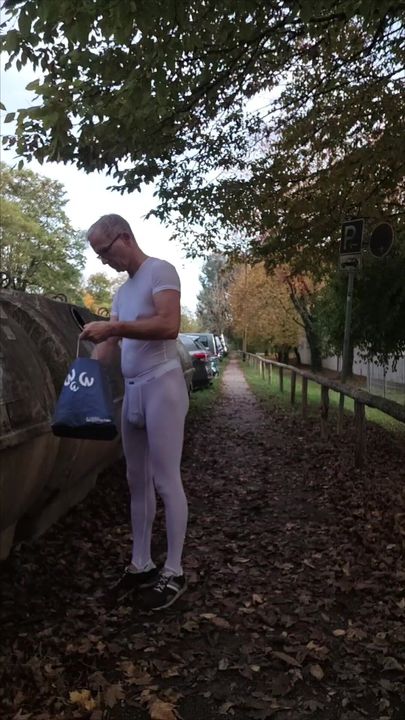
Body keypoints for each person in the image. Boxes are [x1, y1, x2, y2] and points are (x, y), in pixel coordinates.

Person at [79, 214, 189, 610]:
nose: (103, 260)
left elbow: (168, 325)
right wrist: (88, 364)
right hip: (133, 392)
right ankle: (140, 563)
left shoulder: (161, 271)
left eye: (104, 251)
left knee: (165, 480)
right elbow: (111, 346)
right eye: (97, 254)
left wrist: (113, 329)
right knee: (135, 481)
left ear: (123, 237)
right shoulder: (121, 294)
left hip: (163, 385)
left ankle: (174, 571)